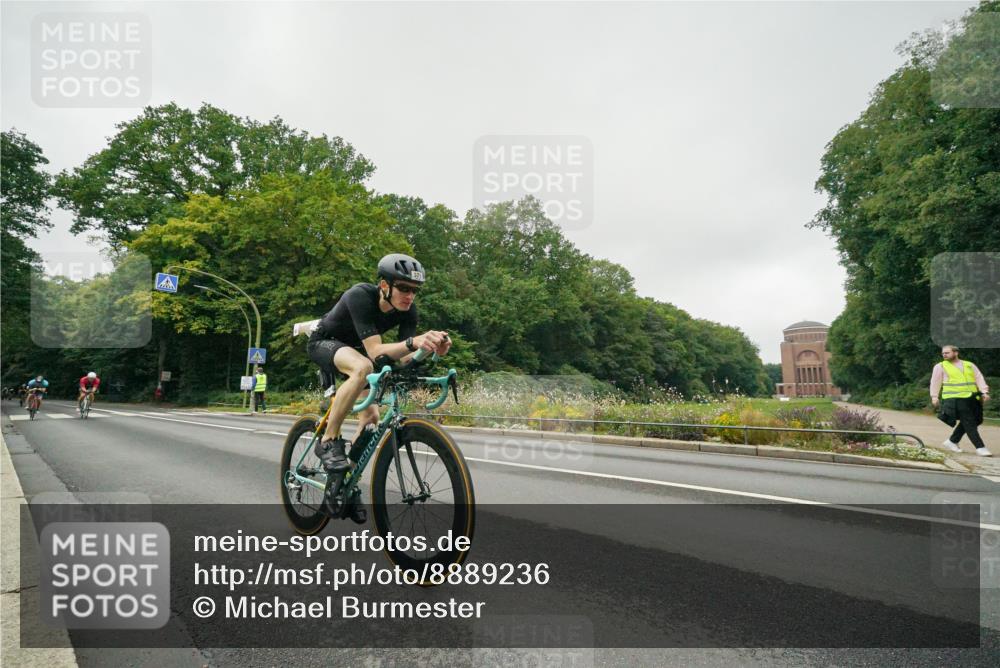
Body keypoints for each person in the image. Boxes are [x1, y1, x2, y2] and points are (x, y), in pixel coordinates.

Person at [307, 253, 451, 519]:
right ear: (384, 286)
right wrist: (413, 342)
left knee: (371, 419)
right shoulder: (360, 295)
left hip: (359, 354)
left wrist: (431, 349)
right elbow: (375, 352)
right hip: (325, 343)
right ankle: (328, 440)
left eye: (415, 290)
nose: (410, 296)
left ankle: (341, 485)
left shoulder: (409, 311)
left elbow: (404, 355)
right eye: (404, 288)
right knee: (363, 367)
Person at [931, 345, 991, 457]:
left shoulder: (969, 365)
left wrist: (984, 392)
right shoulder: (940, 366)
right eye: (943, 353)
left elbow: (979, 378)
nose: (944, 355)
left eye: (947, 352)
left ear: (956, 353)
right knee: (969, 422)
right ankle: (980, 447)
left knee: (978, 419)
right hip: (954, 399)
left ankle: (952, 441)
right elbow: (935, 382)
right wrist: (934, 397)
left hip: (972, 397)